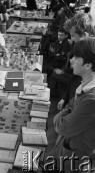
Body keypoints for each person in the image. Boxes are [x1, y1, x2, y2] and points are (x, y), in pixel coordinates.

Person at [53, 37, 95, 173]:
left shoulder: (91, 100)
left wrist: (58, 116)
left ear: (88, 65)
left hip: (76, 159)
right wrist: (68, 110)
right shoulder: (84, 86)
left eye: (76, 57)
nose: (71, 60)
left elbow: (63, 127)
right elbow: (70, 106)